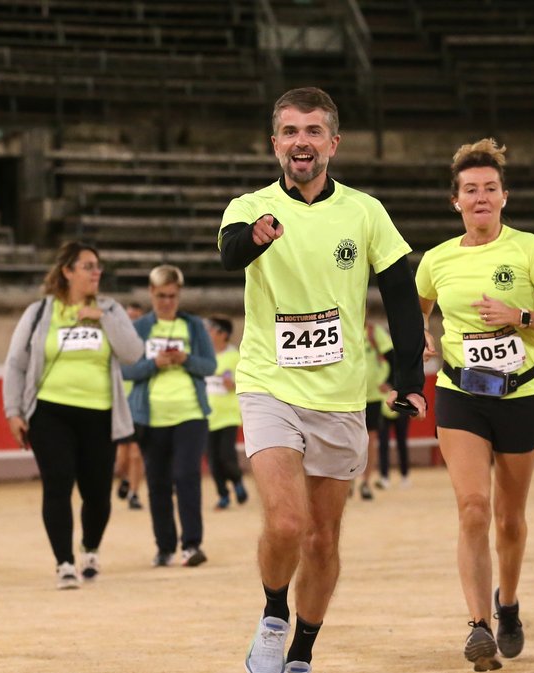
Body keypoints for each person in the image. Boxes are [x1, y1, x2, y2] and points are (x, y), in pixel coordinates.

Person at [218, 87, 425, 673]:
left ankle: (302, 654)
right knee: (287, 521)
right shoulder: (249, 207)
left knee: (323, 540)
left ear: (332, 143)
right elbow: (230, 254)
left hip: (339, 395)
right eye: (289, 131)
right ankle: (272, 618)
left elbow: (400, 295)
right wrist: (255, 236)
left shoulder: (364, 211)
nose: (300, 142)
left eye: (312, 131)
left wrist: (410, 377)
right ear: (275, 143)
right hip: (269, 383)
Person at [417, 137, 534, 671]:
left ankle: (506, 603)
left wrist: (520, 316)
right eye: (470, 189)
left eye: (489, 188)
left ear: (504, 197)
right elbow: (413, 314)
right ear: (455, 201)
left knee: (509, 519)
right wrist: (420, 337)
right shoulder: (436, 260)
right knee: (472, 510)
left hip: (520, 394)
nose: (480, 196)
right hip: (461, 393)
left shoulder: (529, 248)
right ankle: (478, 627)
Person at [3, 242, 143, 589]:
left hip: (100, 414)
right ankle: (64, 562)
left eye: (98, 266)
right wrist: (13, 411)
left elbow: (133, 353)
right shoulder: (40, 311)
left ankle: (90, 548)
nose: (96, 272)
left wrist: (104, 319)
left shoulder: (110, 308)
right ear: (67, 271)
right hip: (49, 413)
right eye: (88, 266)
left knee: (96, 492)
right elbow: (16, 364)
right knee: (58, 483)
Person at [122, 265, 216, 567]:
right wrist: (155, 363)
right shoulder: (139, 329)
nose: (166, 302)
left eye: (172, 296)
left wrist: (186, 359)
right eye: (161, 296)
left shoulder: (194, 326)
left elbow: (209, 366)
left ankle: (191, 544)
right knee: (158, 482)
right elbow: (126, 370)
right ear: (151, 293)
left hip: (190, 413)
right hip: (151, 417)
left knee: (187, 476)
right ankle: (164, 546)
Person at [206, 314, 248, 510]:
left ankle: (237, 482)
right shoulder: (206, 356)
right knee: (213, 460)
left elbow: (246, 381)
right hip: (207, 416)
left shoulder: (235, 357)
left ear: (223, 334)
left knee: (226, 456)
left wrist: (234, 384)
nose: (208, 333)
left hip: (228, 416)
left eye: (212, 329)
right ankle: (223, 494)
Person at [115, 301, 147, 510]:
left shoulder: (146, 343)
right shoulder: (116, 341)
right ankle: (125, 478)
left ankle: (134, 493)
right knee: (122, 456)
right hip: (119, 405)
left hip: (137, 404)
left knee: (136, 452)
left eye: (136, 317)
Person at [359, 312, 394, 500]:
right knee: (347, 441)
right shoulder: (343, 329)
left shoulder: (374, 333)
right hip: (346, 396)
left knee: (370, 439)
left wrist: (390, 381)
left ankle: (365, 482)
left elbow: (392, 356)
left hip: (372, 395)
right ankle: (346, 482)